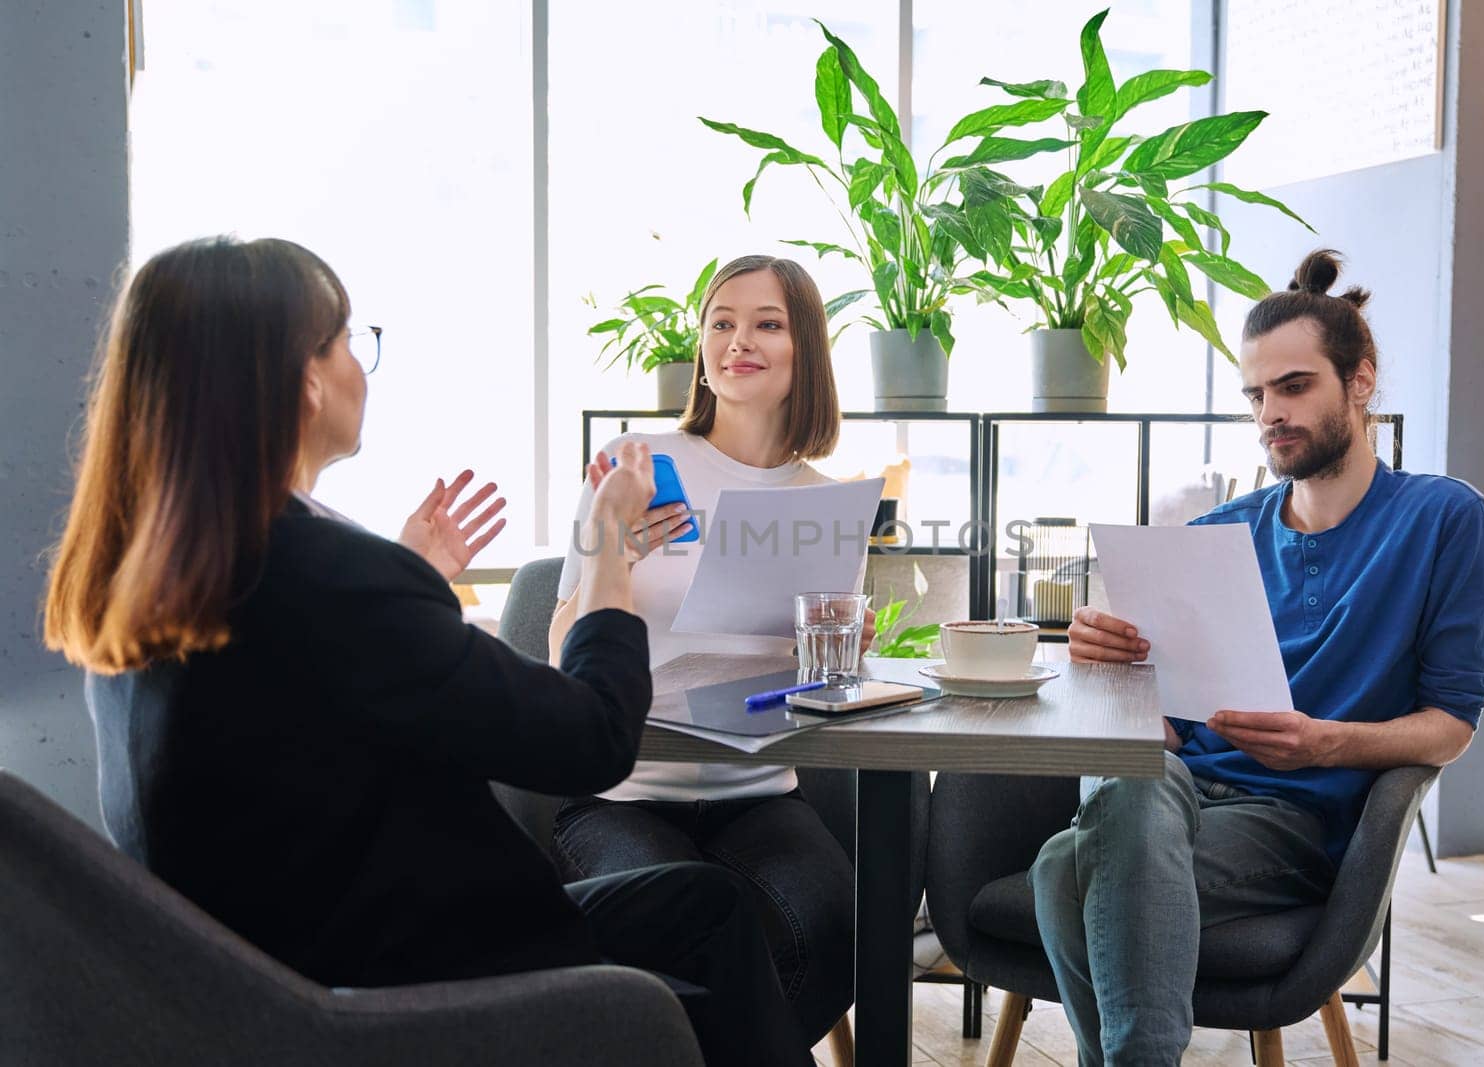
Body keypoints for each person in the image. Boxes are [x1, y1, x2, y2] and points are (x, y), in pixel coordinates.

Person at [42, 235, 812, 1067]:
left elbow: (330, 702)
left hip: (267, 985)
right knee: (706, 975)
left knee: (707, 905)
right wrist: (608, 554)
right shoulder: (333, 576)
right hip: (422, 992)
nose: (358, 365)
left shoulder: (154, 577)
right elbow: (592, 739)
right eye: (346, 341)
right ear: (305, 382)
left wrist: (407, 579)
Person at [1028, 249, 1484, 1064]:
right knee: (1130, 789)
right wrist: (1112, 671)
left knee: (1060, 872)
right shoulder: (1221, 532)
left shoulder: (1442, 518)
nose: (1270, 412)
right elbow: (1168, 732)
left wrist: (1328, 742)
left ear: (1360, 382)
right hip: (1173, 793)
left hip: (1295, 821)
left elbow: (1452, 724)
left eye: (1294, 386)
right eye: (1256, 394)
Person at [547, 254, 867, 1044]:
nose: (737, 341)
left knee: (831, 923)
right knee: (672, 924)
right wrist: (609, 558)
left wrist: (841, 650)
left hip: (755, 789)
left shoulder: (825, 503)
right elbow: (561, 649)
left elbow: (820, 681)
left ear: (806, 352)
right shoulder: (634, 468)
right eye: (720, 323)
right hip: (622, 791)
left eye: (766, 323)